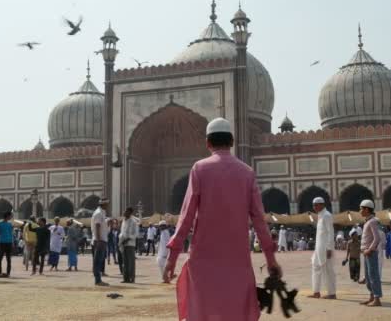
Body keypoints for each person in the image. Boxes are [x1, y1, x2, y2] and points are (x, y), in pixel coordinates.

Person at [163, 117, 281, 321]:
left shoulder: (199, 169)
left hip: (203, 262)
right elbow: (260, 222)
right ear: (232, 142)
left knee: (203, 314)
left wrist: (171, 258)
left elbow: (186, 217)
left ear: (207, 143)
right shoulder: (247, 173)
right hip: (237, 262)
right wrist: (271, 261)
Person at [309, 197, 336, 299]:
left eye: (316, 205)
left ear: (322, 205)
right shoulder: (320, 216)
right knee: (315, 267)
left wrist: (329, 248)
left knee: (328, 270)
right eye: (313, 205)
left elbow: (330, 232)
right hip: (318, 248)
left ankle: (332, 293)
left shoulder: (327, 215)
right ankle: (316, 292)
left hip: (325, 248)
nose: (314, 207)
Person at [359, 200, 382, 307]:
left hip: (370, 253)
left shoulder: (372, 221)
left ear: (367, 209)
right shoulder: (368, 221)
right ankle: (372, 297)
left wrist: (370, 249)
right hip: (366, 252)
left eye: (361, 209)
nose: (360, 211)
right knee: (368, 277)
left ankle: (377, 299)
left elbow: (377, 238)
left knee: (373, 276)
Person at [91, 199, 109, 286]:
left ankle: (98, 279)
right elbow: (97, 226)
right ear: (103, 204)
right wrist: (98, 240)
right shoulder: (98, 213)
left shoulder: (102, 212)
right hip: (100, 240)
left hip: (102, 239)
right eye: (107, 204)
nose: (108, 205)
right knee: (97, 261)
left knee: (99, 260)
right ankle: (97, 280)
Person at [120, 207, 139, 283]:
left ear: (130, 213)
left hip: (130, 244)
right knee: (125, 262)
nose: (124, 213)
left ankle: (132, 278)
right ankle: (125, 278)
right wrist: (121, 241)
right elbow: (122, 232)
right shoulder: (124, 221)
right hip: (123, 244)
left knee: (131, 262)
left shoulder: (134, 222)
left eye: (126, 212)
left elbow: (136, 234)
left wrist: (128, 239)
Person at [0, 211, 14, 278]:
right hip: (2, 242)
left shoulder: (10, 224)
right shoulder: (0, 224)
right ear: (7, 216)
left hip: (8, 242)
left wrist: (12, 242)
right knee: (0, 259)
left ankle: (8, 273)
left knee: (8, 259)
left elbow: (11, 234)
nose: (11, 217)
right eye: (10, 216)